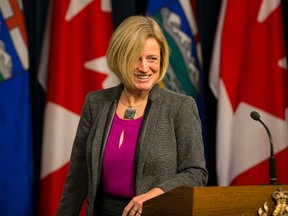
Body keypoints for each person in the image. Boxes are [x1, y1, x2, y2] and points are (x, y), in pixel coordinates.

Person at [56, 15, 208, 216]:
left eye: (152, 58)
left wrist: (157, 193)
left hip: (156, 211)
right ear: (120, 58)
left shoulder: (180, 107)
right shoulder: (96, 103)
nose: (144, 68)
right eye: (136, 58)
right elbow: (78, 177)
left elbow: (196, 173)